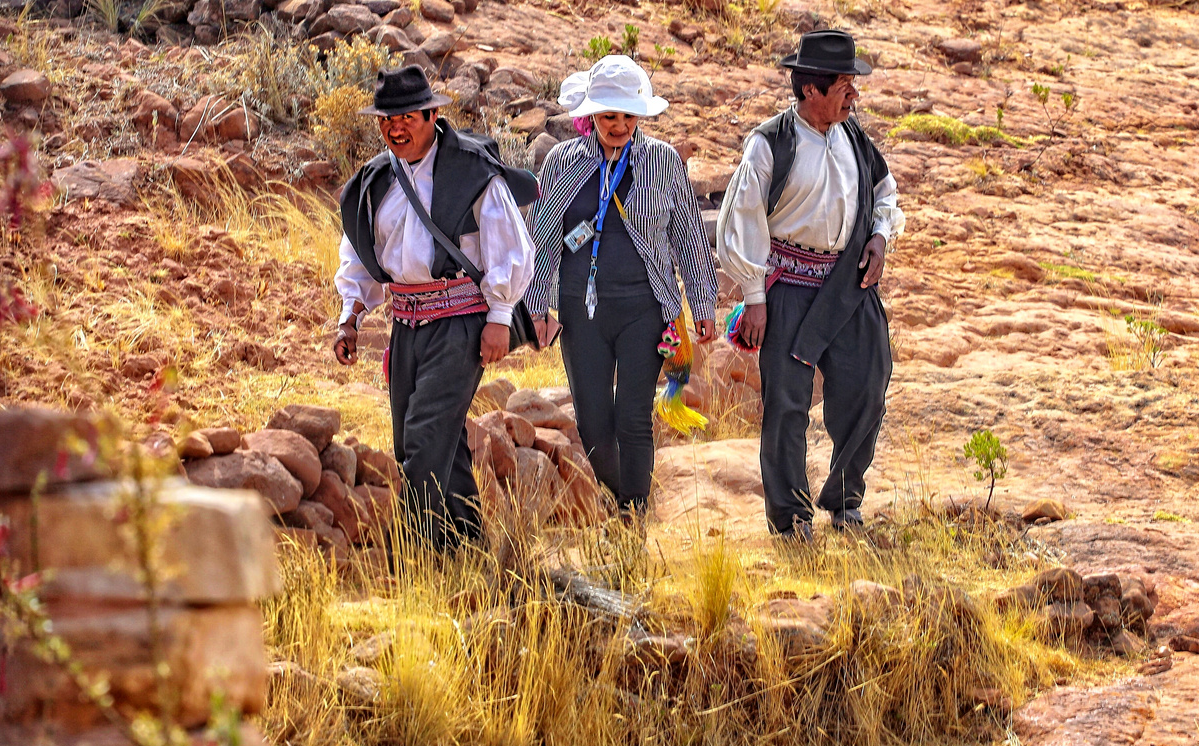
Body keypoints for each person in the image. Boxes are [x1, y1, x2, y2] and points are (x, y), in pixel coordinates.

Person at [332, 65, 538, 549]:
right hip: (406, 326)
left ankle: (420, 558)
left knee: (424, 441)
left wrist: (500, 319)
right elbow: (360, 254)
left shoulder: (471, 171)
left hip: (460, 326)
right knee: (422, 441)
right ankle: (465, 548)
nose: (395, 128)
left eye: (406, 116)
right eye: (386, 119)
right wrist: (350, 317)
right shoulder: (376, 181)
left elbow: (512, 249)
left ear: (431, 114)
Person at [715, 30, 906, 540]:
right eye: (845, 84)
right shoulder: (768, 144)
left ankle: (845, 499)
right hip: (787, 291)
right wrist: (754, 299)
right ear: (809, 91)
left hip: (849, 285)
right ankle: (790, 517)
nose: (855, 95)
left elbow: (885, 195)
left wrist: (880, 239)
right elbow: (741, 222)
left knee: (868, 384)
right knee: (787, 405)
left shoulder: (857, 140)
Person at [525, 56, 720, 515]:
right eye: (609, 116)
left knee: (634, 419)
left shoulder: (664, 161)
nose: (619, 125)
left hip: (645, 308)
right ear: (591, 115)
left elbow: (687, 234)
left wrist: (702, 302)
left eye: (628, 116)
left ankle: (634, 517)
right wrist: (536, 306)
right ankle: (621, 502)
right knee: (594, 425)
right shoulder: (562, 161)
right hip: (580, 311)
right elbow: (543, 237)